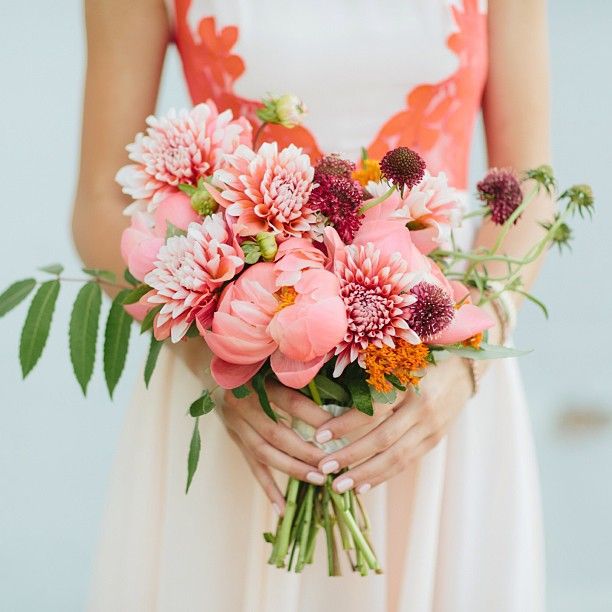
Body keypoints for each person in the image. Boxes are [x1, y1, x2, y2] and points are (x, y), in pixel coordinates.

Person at [74, 1, 550, 610]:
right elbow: (98, 201)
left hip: (438, 372)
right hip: (243, 380)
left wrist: (471, 359)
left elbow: (530, 184)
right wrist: (211, 360)